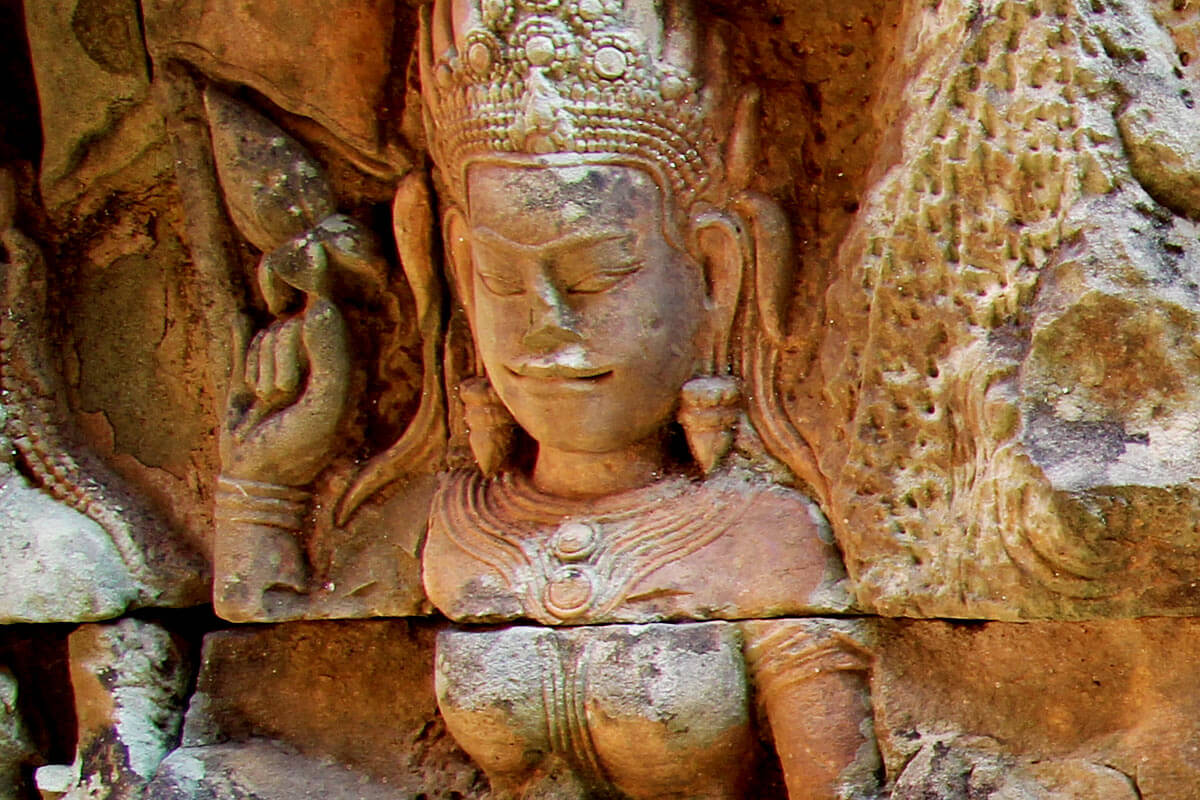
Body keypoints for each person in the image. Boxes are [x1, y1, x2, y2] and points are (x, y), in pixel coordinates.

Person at [216, 0, 880, 796]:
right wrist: (263, 487)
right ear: (459, 273)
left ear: (714, 272)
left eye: (596, 276)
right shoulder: (444, 520)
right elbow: (266, 632)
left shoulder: (762, 537)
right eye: (501, 280)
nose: (546, 328)